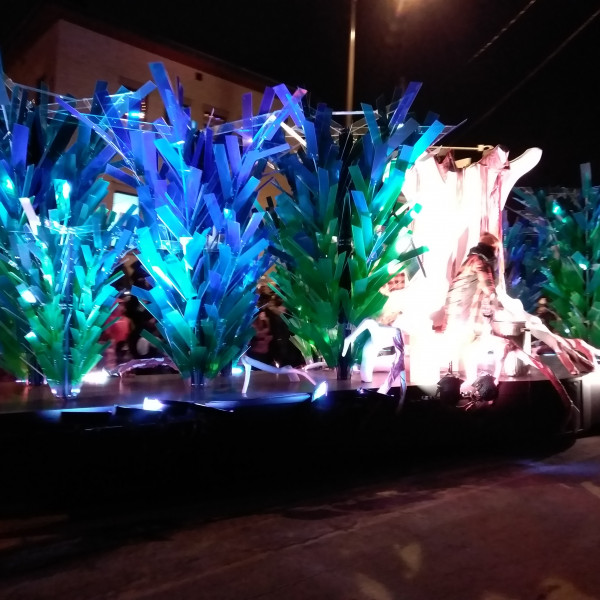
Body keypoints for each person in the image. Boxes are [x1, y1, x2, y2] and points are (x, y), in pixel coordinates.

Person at [441, 232, 501, 392]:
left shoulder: (470, 260)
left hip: (456, 311)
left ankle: (466, 379)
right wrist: (499, 303)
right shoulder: (481, 262)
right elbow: (489, 288)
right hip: (465, 312)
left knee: (468, 346)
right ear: (492, 249)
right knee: (472, 345)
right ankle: (471, 380)